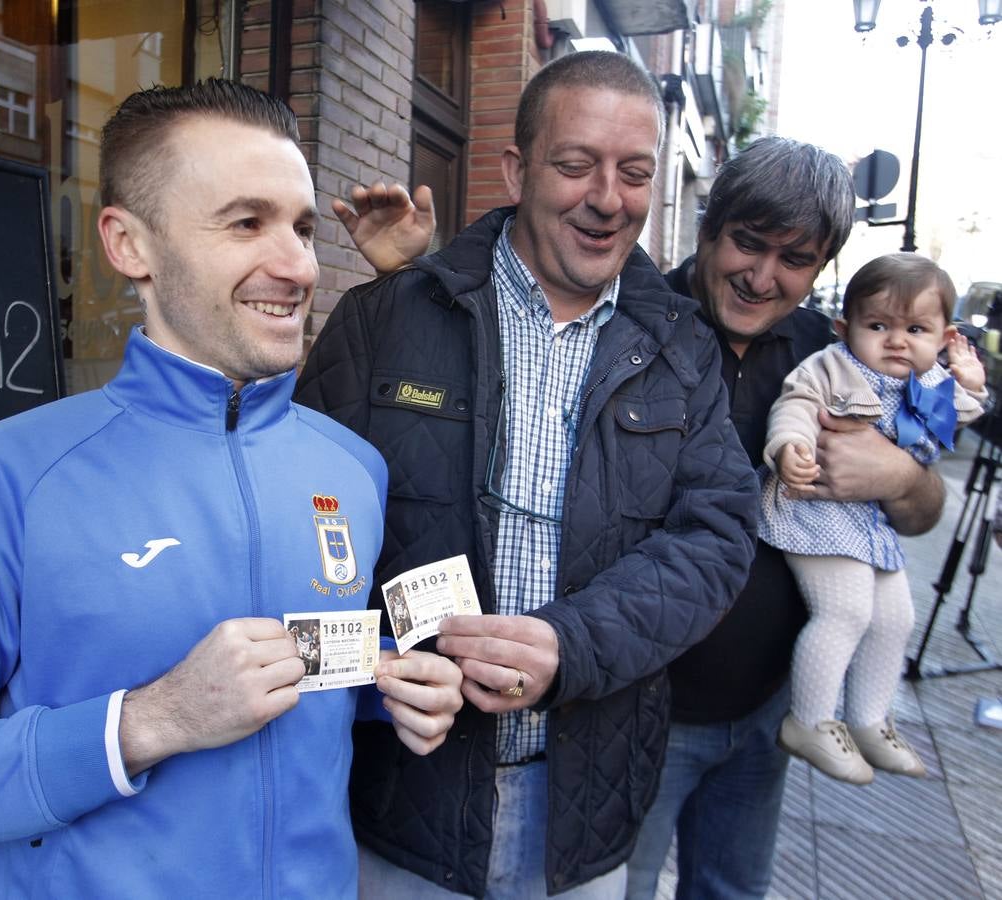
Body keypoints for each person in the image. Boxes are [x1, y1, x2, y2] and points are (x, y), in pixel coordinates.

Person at [0, 80, 463, 899]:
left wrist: (387, 685)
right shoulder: (13, 476)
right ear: (128, 245)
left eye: (299, 226)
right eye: (246, 222)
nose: (298, 265)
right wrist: (150, 722)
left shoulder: (351, 467)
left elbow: (297, 678)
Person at [338, 134, 947, 898]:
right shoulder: (634, 313)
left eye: (794, 260)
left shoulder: (830, 354)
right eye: (747, 245)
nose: (762, 277)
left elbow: (921, 515)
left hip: (763, 707)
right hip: (632, 712)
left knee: (732, 887)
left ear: (821, 269)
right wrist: (414, 290)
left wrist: (902, 476)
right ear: (708, 226)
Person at [295, 50, 759, 898]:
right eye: (576, 164)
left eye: (633, 174)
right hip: (405, 801)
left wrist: (569, 644)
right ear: (516, 169)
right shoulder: (388, 316)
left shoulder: (683, 348)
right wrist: (385, 668)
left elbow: (718, 537)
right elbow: (299, 536)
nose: (607, 198)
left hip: (584, 807)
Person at [766, 253, 985, 783]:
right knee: (847, 611)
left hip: (869, 525)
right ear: (846, 327)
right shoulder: (831, 366)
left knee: (897, 618)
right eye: (878, 325)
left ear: (944, 336)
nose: (896, 341)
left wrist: (972, 382)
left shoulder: (931, 382)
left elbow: (965, 413)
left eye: (916, 329)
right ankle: (810, 719)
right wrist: (789, 444)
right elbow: (795, 404)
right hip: (813, 513)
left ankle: (867, 719)